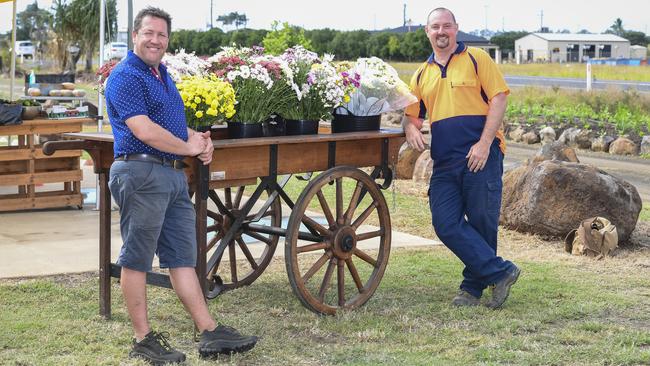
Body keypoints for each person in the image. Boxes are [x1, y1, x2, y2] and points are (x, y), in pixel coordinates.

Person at [105, 7, 257, 364]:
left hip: (172, 176)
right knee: (137, 258)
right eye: (149, 33)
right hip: (141, 174)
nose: (155, 40)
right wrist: (188, 147)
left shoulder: (161, 75)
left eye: (162, 35)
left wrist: (200, 142)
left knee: (181, 258)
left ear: (167, 40)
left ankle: (209, 332)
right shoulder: (125, 76)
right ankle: (143, 339)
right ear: (134, 36)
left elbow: (173, 128)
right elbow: (143, 129)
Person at [402, 7, 520, 309]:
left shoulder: (477, 58)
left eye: (447, 26)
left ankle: (471, 289)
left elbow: (499, 98)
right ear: (427, 32)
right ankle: (501, 271)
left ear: (456, 29)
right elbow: (411, 116)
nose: (441, 32)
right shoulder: (421, 74)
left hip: (481, 154)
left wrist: (483, 143)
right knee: (445, 223)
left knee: (482, 221)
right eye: (435, 27)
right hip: (444, 161)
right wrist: (409, 129)